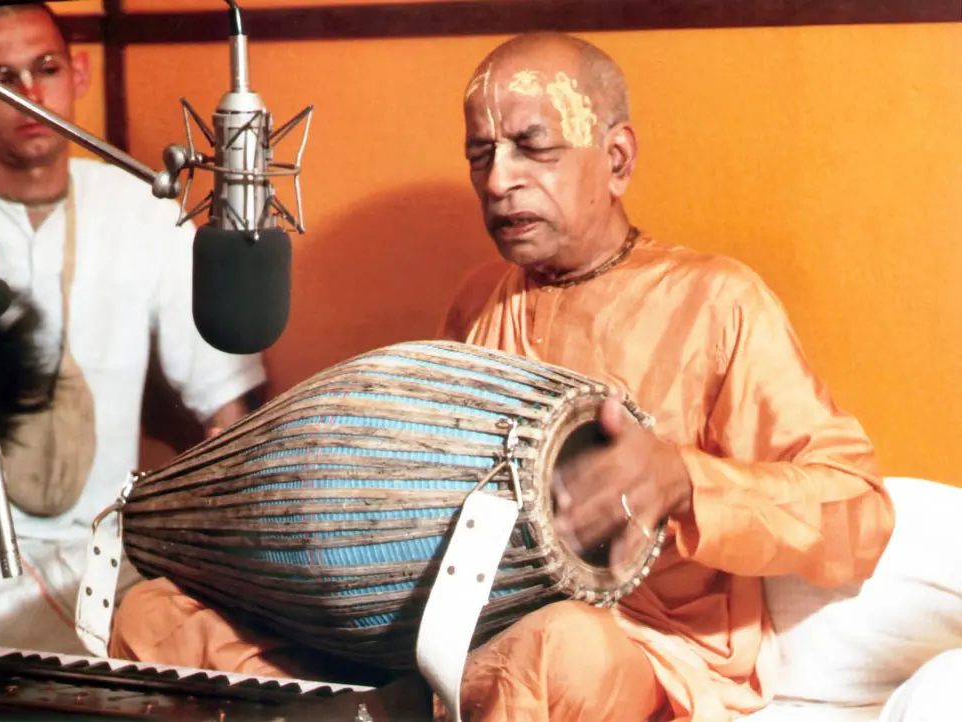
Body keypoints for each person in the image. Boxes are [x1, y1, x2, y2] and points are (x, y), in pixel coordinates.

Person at [106, 32, 896, 721]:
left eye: (532, 147)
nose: (496, 180)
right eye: (480, 153)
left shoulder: (716, 301)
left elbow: (858, 509)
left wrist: (685, 481)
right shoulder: (480, 298)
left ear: (617, 160)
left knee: (551, 649)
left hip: (630, 641)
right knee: (155, 615)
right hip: (446, 620)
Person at [0, 2, 266, 654]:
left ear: (78, 74)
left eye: (45, 69)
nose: (29, 94)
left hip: (104, 551)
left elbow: (226, 408)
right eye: (1, 78)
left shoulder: (141, 205)